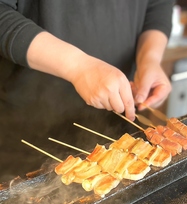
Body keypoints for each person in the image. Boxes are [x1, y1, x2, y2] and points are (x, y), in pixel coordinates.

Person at [0, 1, 175, 181]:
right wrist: (77, 66)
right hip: (29, 128)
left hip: (119, 118)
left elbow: (158, 4)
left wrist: (150, 59)